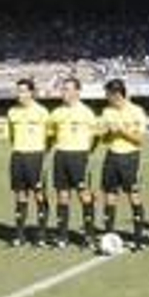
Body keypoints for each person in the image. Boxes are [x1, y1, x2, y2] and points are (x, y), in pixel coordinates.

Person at [47, 76, 99, 247]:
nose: (65, 92)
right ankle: (62, 236)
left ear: (77, 91)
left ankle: (89, 235)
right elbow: (51, 135)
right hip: (60, 156)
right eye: (63, 89)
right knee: (62, 196)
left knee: (84, 195)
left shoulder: (87, 112)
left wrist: (87, 152)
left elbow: (96, 136)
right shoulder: (56, 113)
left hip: (79, 157)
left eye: (68, 89)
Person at [98, 78, 148, 248]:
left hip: (131, 157)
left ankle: (138, 237)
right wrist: (106, 133)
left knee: (133, 196)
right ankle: (109, 234)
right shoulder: (107, 112)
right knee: (109, 197)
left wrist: (121, 131)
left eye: (108, 95)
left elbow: (140, 139)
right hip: (112, 156)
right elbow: (103, 139)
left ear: (117, 94)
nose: (106, 98)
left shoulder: (136, 111)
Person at [5, 77, 51, 246]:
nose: (20, 94)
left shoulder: (42, 112)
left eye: (24, 91)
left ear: (31, 92)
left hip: (36, 156)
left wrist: (42, 154)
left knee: (39, 194)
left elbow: (50, 136)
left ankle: (41, 234)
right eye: (18, 91)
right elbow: (11, 136)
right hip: (18, 156)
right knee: (20, 195)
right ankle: (19, 235)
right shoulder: (12, 112)